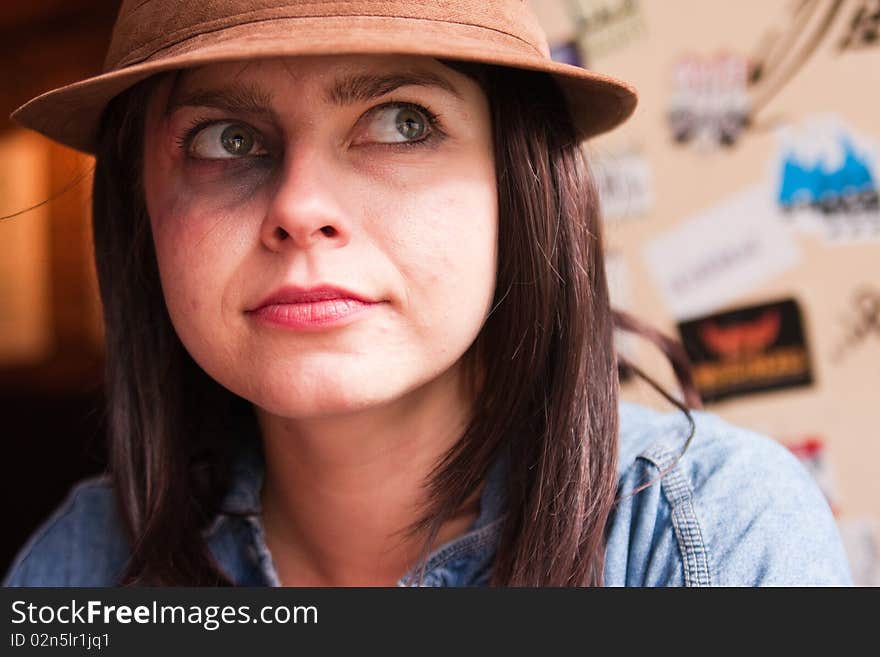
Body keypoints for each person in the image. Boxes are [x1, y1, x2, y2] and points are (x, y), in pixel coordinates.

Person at [3, 0, 852, 587]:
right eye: (227, 138)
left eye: (403, 121)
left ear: (520, 189)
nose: (300, 209)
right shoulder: (83, 561)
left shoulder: (706, 534)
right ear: (141, 208)